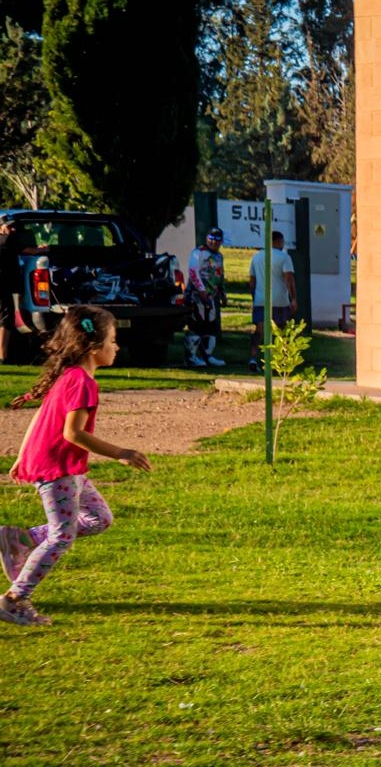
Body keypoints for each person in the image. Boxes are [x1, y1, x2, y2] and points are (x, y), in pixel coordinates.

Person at [0, 305, 152, 626]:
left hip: (65, 466)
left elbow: (42, 415)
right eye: (112, 340)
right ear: (94, 346)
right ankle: (14, 600)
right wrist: (120, 452)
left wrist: (23, 454)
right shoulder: (81, 382)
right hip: (58, 467)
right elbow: (73, 433)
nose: (116, 347)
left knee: (99, 518)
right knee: (61, 536)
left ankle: (21, 540)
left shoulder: (72, 375)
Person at [247, 230, 297, 373]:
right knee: (281, 331)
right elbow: (289, 279)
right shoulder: (284, 258)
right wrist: (293, 299)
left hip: (261, 299)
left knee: (260, 330)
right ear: (279, 242)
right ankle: (281, 361)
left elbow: (252, 281)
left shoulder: (256, 257)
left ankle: (253, 358)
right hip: (279, 300)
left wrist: (254, 298)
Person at [184, 227, 227, 367]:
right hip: (196, 296)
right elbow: (193, 272)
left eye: (217, 239)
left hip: (211, 297)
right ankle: (191, 357)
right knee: (196, 326)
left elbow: (220, 275)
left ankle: (207, 356)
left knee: (210, 327)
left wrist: (223, 293)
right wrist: (201, 291)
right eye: (211, 239)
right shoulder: (198, 253)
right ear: (206, 238)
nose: (214, 242)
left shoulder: (219, 256)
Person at [0, 216, 19, 364]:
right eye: (8, 226)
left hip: (5, 285)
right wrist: (45, 249)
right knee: (4, 320)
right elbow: (28, 250)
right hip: (3, 286)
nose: (12, 229)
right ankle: (2, 356)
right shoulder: (6, 240)